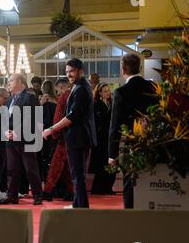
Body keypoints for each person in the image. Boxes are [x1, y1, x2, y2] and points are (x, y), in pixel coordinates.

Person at [43, 59, 97, 208]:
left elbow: (72, 116)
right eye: (67, 72)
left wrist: (52, 129)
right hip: (77, 137)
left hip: (78, 137)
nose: (69, 75)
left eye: (71, 71)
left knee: (77, 174)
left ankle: (81, 206)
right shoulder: (79, 87)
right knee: (76, 174)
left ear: (81, 71)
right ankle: (77, 204)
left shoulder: (81, 89)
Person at [108, 54, 156, 209]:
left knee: (130, 182)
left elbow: (114, 125)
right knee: (152, 179)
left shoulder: (121, 92)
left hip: (131, 143)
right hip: (154, 141)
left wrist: (112, 154)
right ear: (140, 68)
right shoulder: (153, 87)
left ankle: (129, 217)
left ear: (123, 69)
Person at [0, 73, 43, 205]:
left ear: (20, 82)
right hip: (11, 140)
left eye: (11, 80)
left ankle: (37, 195)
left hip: (25, 138)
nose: (9, 83)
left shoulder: (30, 97)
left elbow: (31, 118)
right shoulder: (10, 100)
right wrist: (6, 131)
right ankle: (12, 196)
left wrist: (17, 132)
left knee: (31, 169)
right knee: (12, 169)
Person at [42, 78, 75, 202]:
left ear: (61, 87)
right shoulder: (74, 95)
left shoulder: (64, 97)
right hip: (72, 137)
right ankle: (71, 192)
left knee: (56, 166)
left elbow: (58, 117)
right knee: (66, 168)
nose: (57, 93)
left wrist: (54, 133)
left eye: (58, 90)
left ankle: (48, 192)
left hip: (63, 138)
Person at [89, 83, 116, 195]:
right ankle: (99, 188)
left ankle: (106, 187)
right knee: (101, 165)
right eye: (104, 91)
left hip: (107, 138)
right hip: (101, 139)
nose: (107, 93)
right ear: (99, 93)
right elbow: (98, 122)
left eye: (108, 90)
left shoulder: (110, 104)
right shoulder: (96, 105)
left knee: (107, 163)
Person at [40, 80, 57, 181]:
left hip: (46, 132)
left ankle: (47, 181)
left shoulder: (45, 101)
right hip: (55, 131)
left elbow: (43, 120)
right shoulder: (56, 100)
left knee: (45, 158)